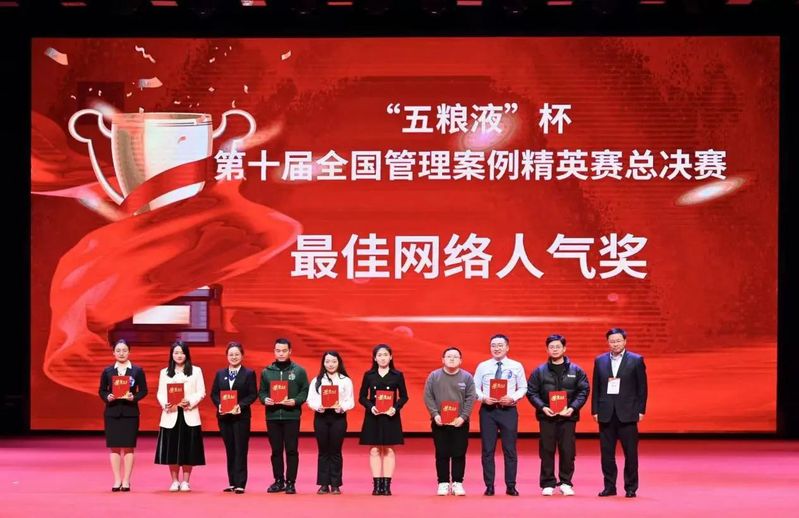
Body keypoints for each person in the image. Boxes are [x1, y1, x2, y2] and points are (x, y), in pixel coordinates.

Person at [526, 334, 590, 496]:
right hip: (547, 417)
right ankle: (548, 483)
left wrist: (573, 408)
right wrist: (542, 407)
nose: (555, 350)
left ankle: (566, 482)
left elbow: (583, 390)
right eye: (551, 347)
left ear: (564, 348)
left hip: (568, 417)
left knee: (568, 450)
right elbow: (531, 392)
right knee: (546, 450)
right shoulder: (539, 371)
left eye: (558, 347)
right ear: (547, 349)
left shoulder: (576, 370)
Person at [592, 328, 648, 498]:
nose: (615, 344)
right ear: (608, 342)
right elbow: (596, 387)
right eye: (612, 341)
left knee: (630, 454)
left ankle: (631, 487)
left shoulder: (636, 360)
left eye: (618, 340)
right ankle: (609, 487)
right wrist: (595, 410)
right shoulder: (600, 360)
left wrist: (641, 410)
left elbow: (642, 388)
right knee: (607, 454)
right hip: (606, 413)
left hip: (628, 413)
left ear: (625, 341)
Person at [473, 333, 527, 496]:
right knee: (487, 449)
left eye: (500, 345)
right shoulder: (483, 366)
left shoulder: (516, 365)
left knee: (510, 449)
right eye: (493, 345)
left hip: (508, 411)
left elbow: (523, 387)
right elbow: (474, 388)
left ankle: (511, 486)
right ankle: (489, 485)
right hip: (488, 411)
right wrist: (483, 398)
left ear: (507, 347)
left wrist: (512, 398)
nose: (496, 348)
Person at [258, 338, 310, 495]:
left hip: (292, 416)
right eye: (278, 351)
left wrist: (295, 401)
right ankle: (278, 481)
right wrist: (265, 399)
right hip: (272, 417)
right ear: (274, 352)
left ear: (290, 351)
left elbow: (305, 391)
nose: (281, 353)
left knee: (292, 450)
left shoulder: (299, 371)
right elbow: (262, 392)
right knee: (276, 451)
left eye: (284, 351)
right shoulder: (266, 372)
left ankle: (291, 482)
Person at [423, 347, 476, 496]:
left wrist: (463, 417)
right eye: (448, 356)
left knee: (459, 452)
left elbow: (470, 398)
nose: (452, 359)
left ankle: (458, 482)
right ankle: (443, 483)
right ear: (443, 359)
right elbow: (428, 396)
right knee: (442, 452)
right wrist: (435, 414)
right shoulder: (434, 376)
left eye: (455, 357)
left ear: (460, 360)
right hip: (440, 421)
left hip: (460, 422)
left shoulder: (467, 377)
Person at [155, 340, 206, 492]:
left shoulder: (196, 371)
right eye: (176, 352)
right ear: (171, 355)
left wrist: (189, 401)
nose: (179, 355)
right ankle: (174, 481)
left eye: (182, 353)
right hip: (171, 414)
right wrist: (166, 404)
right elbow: (160, 393)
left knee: (188, 448)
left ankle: (186, 481)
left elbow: (201, 391)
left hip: (189, 414)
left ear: (187, 354)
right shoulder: (164, 372)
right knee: (172, 449)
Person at [98, 338, 148, 492]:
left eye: (124, 350)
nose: (121, 353)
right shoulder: (108, 371)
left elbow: (144, 390)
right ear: (113, 353)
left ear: (129, 352)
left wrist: (134, 397)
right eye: (118, 350)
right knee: (114, 447)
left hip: (130, 413)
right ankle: (117, 480)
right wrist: (107, 396)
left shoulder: (137, 370)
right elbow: (102, 390)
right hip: (112, 412)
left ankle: (126, 480)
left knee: (128, 447)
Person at [358, 344, 409, 496]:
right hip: (373, 416)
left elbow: (404, 396)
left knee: (388, 450)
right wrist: (370, 406)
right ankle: (376, 485)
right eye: (379, 355)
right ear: (375, 358)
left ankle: (386, 485)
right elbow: (362, 397)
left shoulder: (397, 375)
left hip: (390, 416)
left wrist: (395, 408)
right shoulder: (369, 375)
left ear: (391, 357)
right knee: (374, 450)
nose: (382, 358)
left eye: (385, 355)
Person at [210, 341, 258, 494]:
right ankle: (232, 482)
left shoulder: (249, 373)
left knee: (241, 449)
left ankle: (240, 483)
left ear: (242, 356)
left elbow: (253, 394)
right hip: (224, 418)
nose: (234, 357)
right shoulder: (220, 374)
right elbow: (214, 394)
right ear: (227, 356)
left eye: (237, 354)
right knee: (230, 449)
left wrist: (240, 405)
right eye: (231, 354)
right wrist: (219, 405)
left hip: (240, 417)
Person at [306, 351, 355, 495]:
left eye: (333, 361)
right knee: (323, 451)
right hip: (321, 417)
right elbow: (310, 399)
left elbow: (350, 400)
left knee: (335, 451)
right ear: (323, 363)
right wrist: (318, 407)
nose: (330, 364)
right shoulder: (317, 380)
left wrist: (342, 407)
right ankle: (323, 484)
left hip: (338, 418)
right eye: (327, 361)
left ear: (339, 362)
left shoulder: (345, 380)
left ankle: (335, 484)